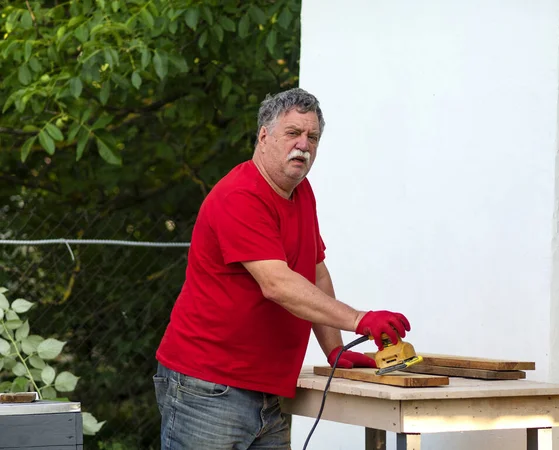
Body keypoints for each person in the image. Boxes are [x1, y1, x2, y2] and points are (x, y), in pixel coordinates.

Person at [153, 87, 412, 449]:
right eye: (293, 133)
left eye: (313, 137)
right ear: (264, 136)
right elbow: (278, 283)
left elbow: (315, 272)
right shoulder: (240, 195)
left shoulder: (302, 193)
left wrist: (334, 349)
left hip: (267, 392)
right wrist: (359, 319)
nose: (304, 145)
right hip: (208, 388)